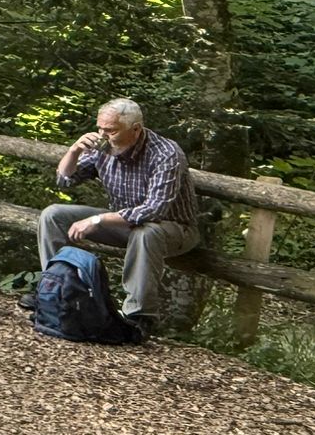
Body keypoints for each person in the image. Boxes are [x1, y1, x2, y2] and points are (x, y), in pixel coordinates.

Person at [39, 97, 200, 329]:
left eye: (111, 131)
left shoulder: (165, 153)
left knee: (146, 232)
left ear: (135, 129)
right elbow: (65, 180)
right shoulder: (103, 146)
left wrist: (97, 220)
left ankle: (138, 317)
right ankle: (55, 290)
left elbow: (154, 210)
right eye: (100, 128)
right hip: (124, 223)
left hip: (173, 228)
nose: (103, 135)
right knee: (53, 215)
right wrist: (74, 150)